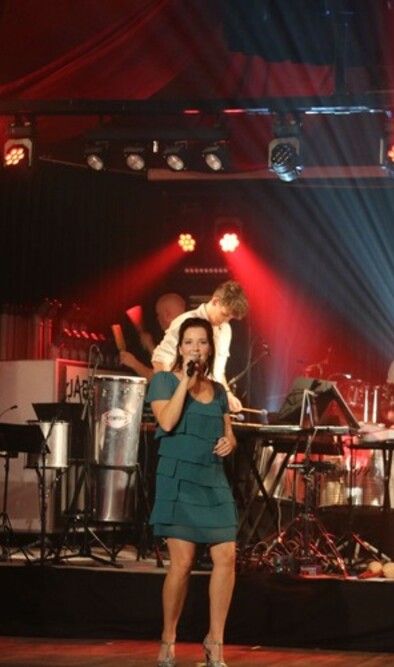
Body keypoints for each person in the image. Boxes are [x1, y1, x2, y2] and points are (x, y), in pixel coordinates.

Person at [147, 317, 238, 667]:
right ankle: (168, 639)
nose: (195, 348)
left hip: (212, 480)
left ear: (210, 348)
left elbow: (229, 432)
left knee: (226, 556)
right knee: (182, 564)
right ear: (180, 347)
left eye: (201, 342)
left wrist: (229, 441)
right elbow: (167, 421)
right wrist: (185, 379)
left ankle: (215, 642)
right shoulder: (164, 380)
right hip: (179, 480)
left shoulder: (218, 391)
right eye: (189, 342)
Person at [152, 281, 248, 412]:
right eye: (225, 314)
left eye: (230, 318)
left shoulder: (226, 329)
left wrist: (227, 394)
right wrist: (172, 397)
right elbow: (159, 360)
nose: (226, 320)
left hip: (210, 402)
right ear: (215, 301)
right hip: (185, 403)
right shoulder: (185, 322)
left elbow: (218, 371)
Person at [119, 292, 186, 380]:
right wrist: (150, 346)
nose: (158, 319)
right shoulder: (188, 332)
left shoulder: (179, 339)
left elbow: (163, 379)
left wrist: (133, 363)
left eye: (158, 314)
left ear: (167, 314)